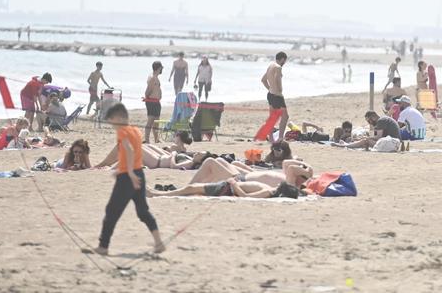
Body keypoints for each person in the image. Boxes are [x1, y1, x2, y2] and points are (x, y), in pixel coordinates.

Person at [94, 103, 164, 256]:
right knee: (143, 211)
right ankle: (159, 243)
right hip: (139, 174)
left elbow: (130, 151)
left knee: (111, 211)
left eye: (112, 121)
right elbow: (132, 154)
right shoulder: (135, 131)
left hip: (128, 178)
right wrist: (125, 170)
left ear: (119, 118)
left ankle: (103, 247)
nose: (112, 125)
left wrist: (129, 172)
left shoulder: (122, 131)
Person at [149, 179, 302, 199]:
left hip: (227, 188)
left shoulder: (268, 192)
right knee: (193, 189)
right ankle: (160, 194)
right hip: (228, 187)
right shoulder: (270, 190)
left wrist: (234, 184)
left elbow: (245, 197)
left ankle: (158, 194)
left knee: (192, 187)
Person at [334, 111, 400, 149]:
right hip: (393, 143)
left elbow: (378, 137)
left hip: (392, 143)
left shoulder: (381, 121)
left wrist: (367, 138)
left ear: (373, 117)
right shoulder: (382, 120)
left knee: (366, 141)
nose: (369, 123)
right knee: (365, 141)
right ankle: (348, 145)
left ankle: (345, 145)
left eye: (369, 120)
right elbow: (374, 136)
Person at [262, 52, 289, 143]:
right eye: (284, 61)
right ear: (282, 59)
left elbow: (263, 80)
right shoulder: (278, 67)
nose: (284, 63)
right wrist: (279, 90)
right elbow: (278, 79)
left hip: (270, 95)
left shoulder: (270, 66)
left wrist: (270, 89)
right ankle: (280, 138)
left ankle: (271, 138)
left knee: (272, 117)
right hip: (277, 96)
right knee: (285, 117)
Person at [143, 61, 164, 144]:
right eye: (161, 68)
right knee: (150, 121)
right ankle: (147, 140)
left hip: (156, 102)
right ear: (158, 68)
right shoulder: (152, 78)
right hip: (152, 102)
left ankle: (156, 139)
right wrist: (149, 99)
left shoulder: (156, 77)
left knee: (156, 122)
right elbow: (147, 92)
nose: (162, 69)